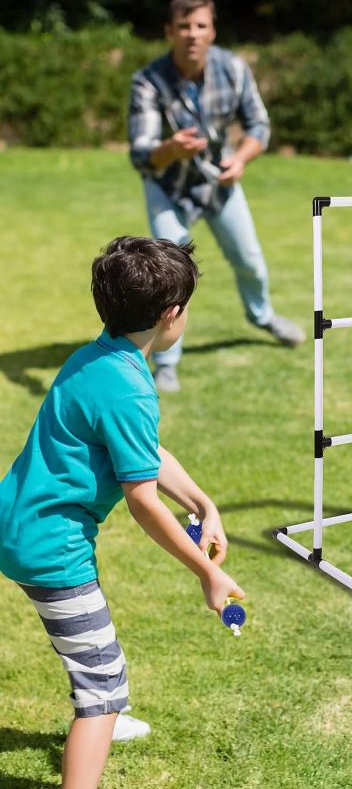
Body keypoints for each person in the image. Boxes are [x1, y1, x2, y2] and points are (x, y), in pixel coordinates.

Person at [0, 237, 245, 789]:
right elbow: (142, 500)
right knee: (103, 687)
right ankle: (102, 720)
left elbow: (144, 452)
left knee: (91, 651)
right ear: (171, 315)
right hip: (50, 546)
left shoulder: (97, 355)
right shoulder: (130, 389)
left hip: (17, 519)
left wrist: (203, 503)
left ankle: (105, 718)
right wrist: (208, 572)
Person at [128, 0, 305, 393]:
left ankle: (262, 317)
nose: (193, 34)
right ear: (169, 31)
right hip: (168, 186)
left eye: (201, 26)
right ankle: (166, 361)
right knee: (170, 275)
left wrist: (240, 159)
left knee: (250, 261)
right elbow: (141, 156)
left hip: (220, 183)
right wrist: (171, 149)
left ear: (212, 31)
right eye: (184, 26)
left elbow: (259, 126)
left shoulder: (234, 69)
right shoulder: (148, 81)